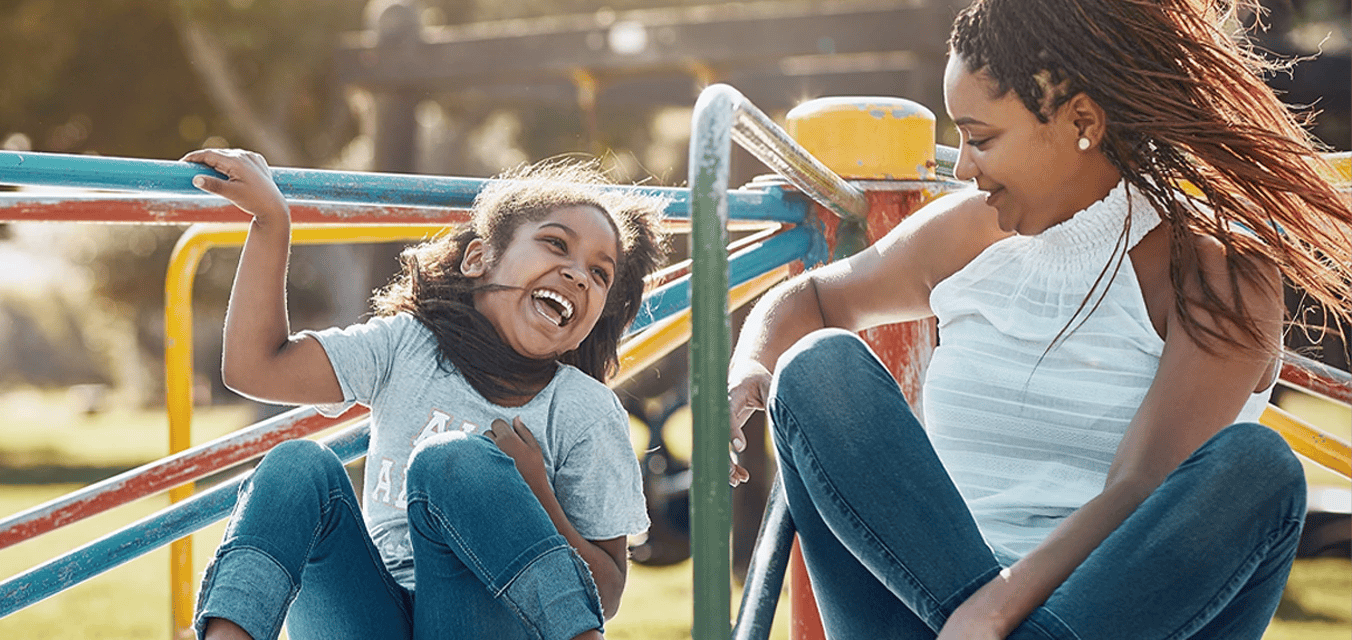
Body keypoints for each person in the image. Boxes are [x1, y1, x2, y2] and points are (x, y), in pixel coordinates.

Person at [723, 0, 1352, 638]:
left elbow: (1141, 484)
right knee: (817, 367)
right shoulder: (966, 234)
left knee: (1260, 467)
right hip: (927, 612)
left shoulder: (1220, 272)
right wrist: (749, 364)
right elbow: (814, 301)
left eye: (981, 137)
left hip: (1102, 615)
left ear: (1081, 120)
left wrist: (995, 612)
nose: (963, 167)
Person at [181, 148, 667, 640]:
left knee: (453, 460)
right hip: (370, 618)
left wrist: (536, 494)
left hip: (486, 624)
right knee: (296, 466)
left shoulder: (583, 410)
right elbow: (256, 367)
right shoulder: (406, 347)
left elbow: (605, 594)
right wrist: (271, 222)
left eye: (599, 274)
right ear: (478, 259)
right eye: (556, 245)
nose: (578, 274)